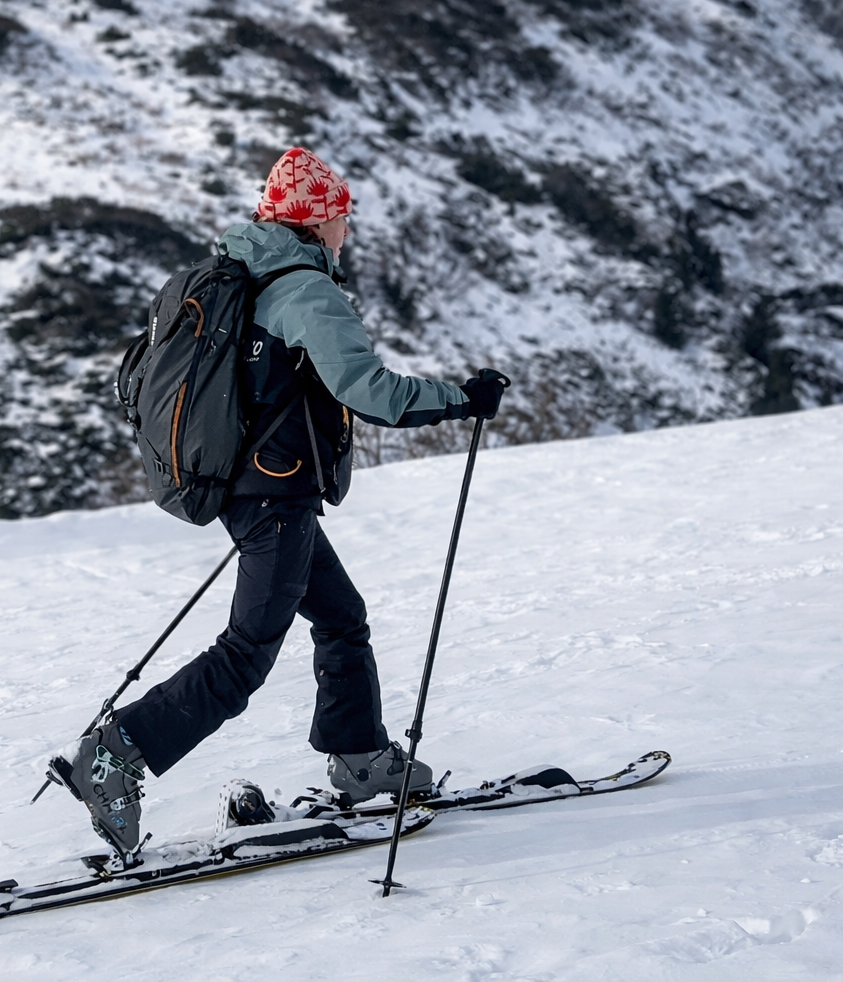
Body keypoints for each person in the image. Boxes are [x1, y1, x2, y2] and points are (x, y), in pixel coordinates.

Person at [49, 147, 507, 859]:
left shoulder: (236, 274)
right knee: (246, 655)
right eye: (342, 219)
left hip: (247, 488)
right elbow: (372, 392)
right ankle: (113, 756)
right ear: (319, 221)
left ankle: (359, 757)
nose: (346, 232)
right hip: (274, 496)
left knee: (342, 617)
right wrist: (461, 399)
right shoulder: (305, 291)